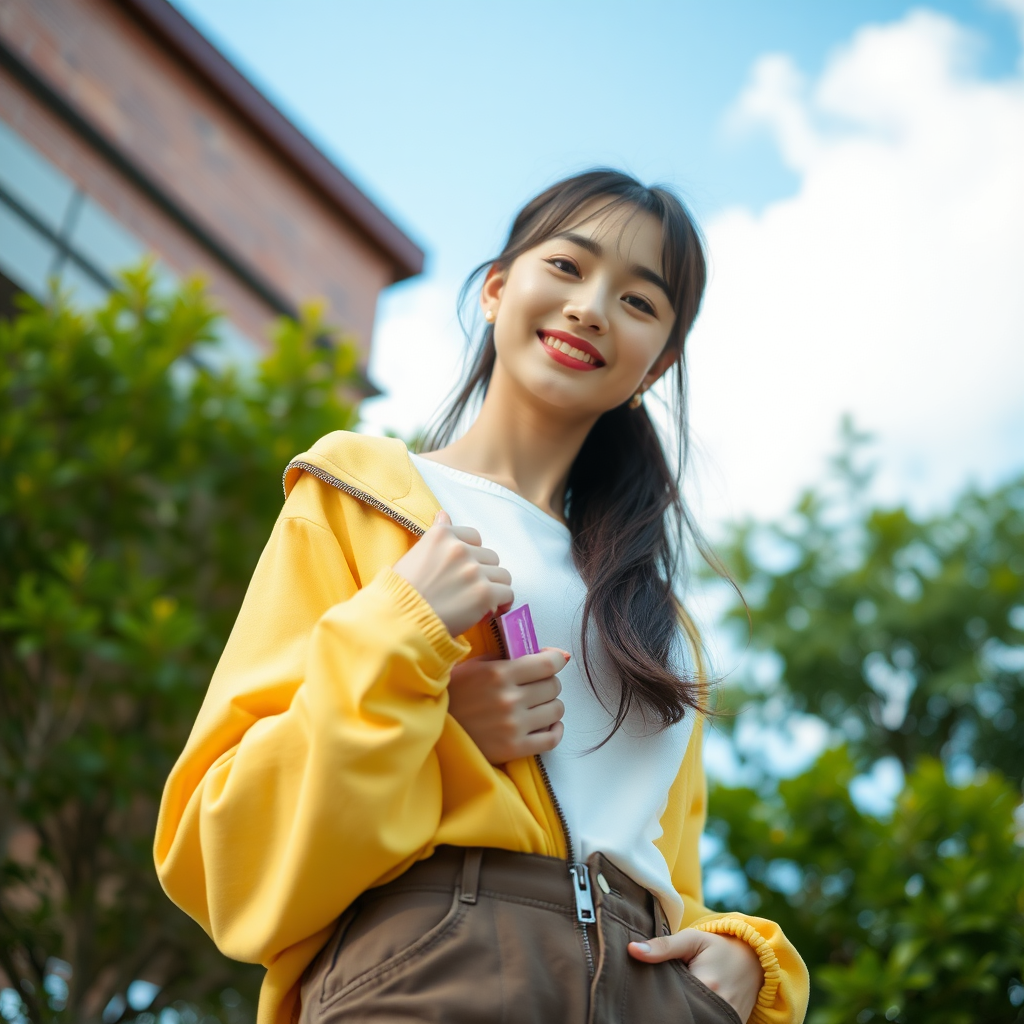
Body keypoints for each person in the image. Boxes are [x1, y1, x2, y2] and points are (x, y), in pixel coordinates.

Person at [155, 169, 809, 1024]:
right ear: (498, 288)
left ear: (661, 361)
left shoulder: (661, 625)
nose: (591, 308)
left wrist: (733, 958)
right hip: (440, 966)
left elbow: (668, 872)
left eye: (639, 302)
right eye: (569, 267)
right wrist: (425, 686)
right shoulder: (366, 494)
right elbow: (222, 842)